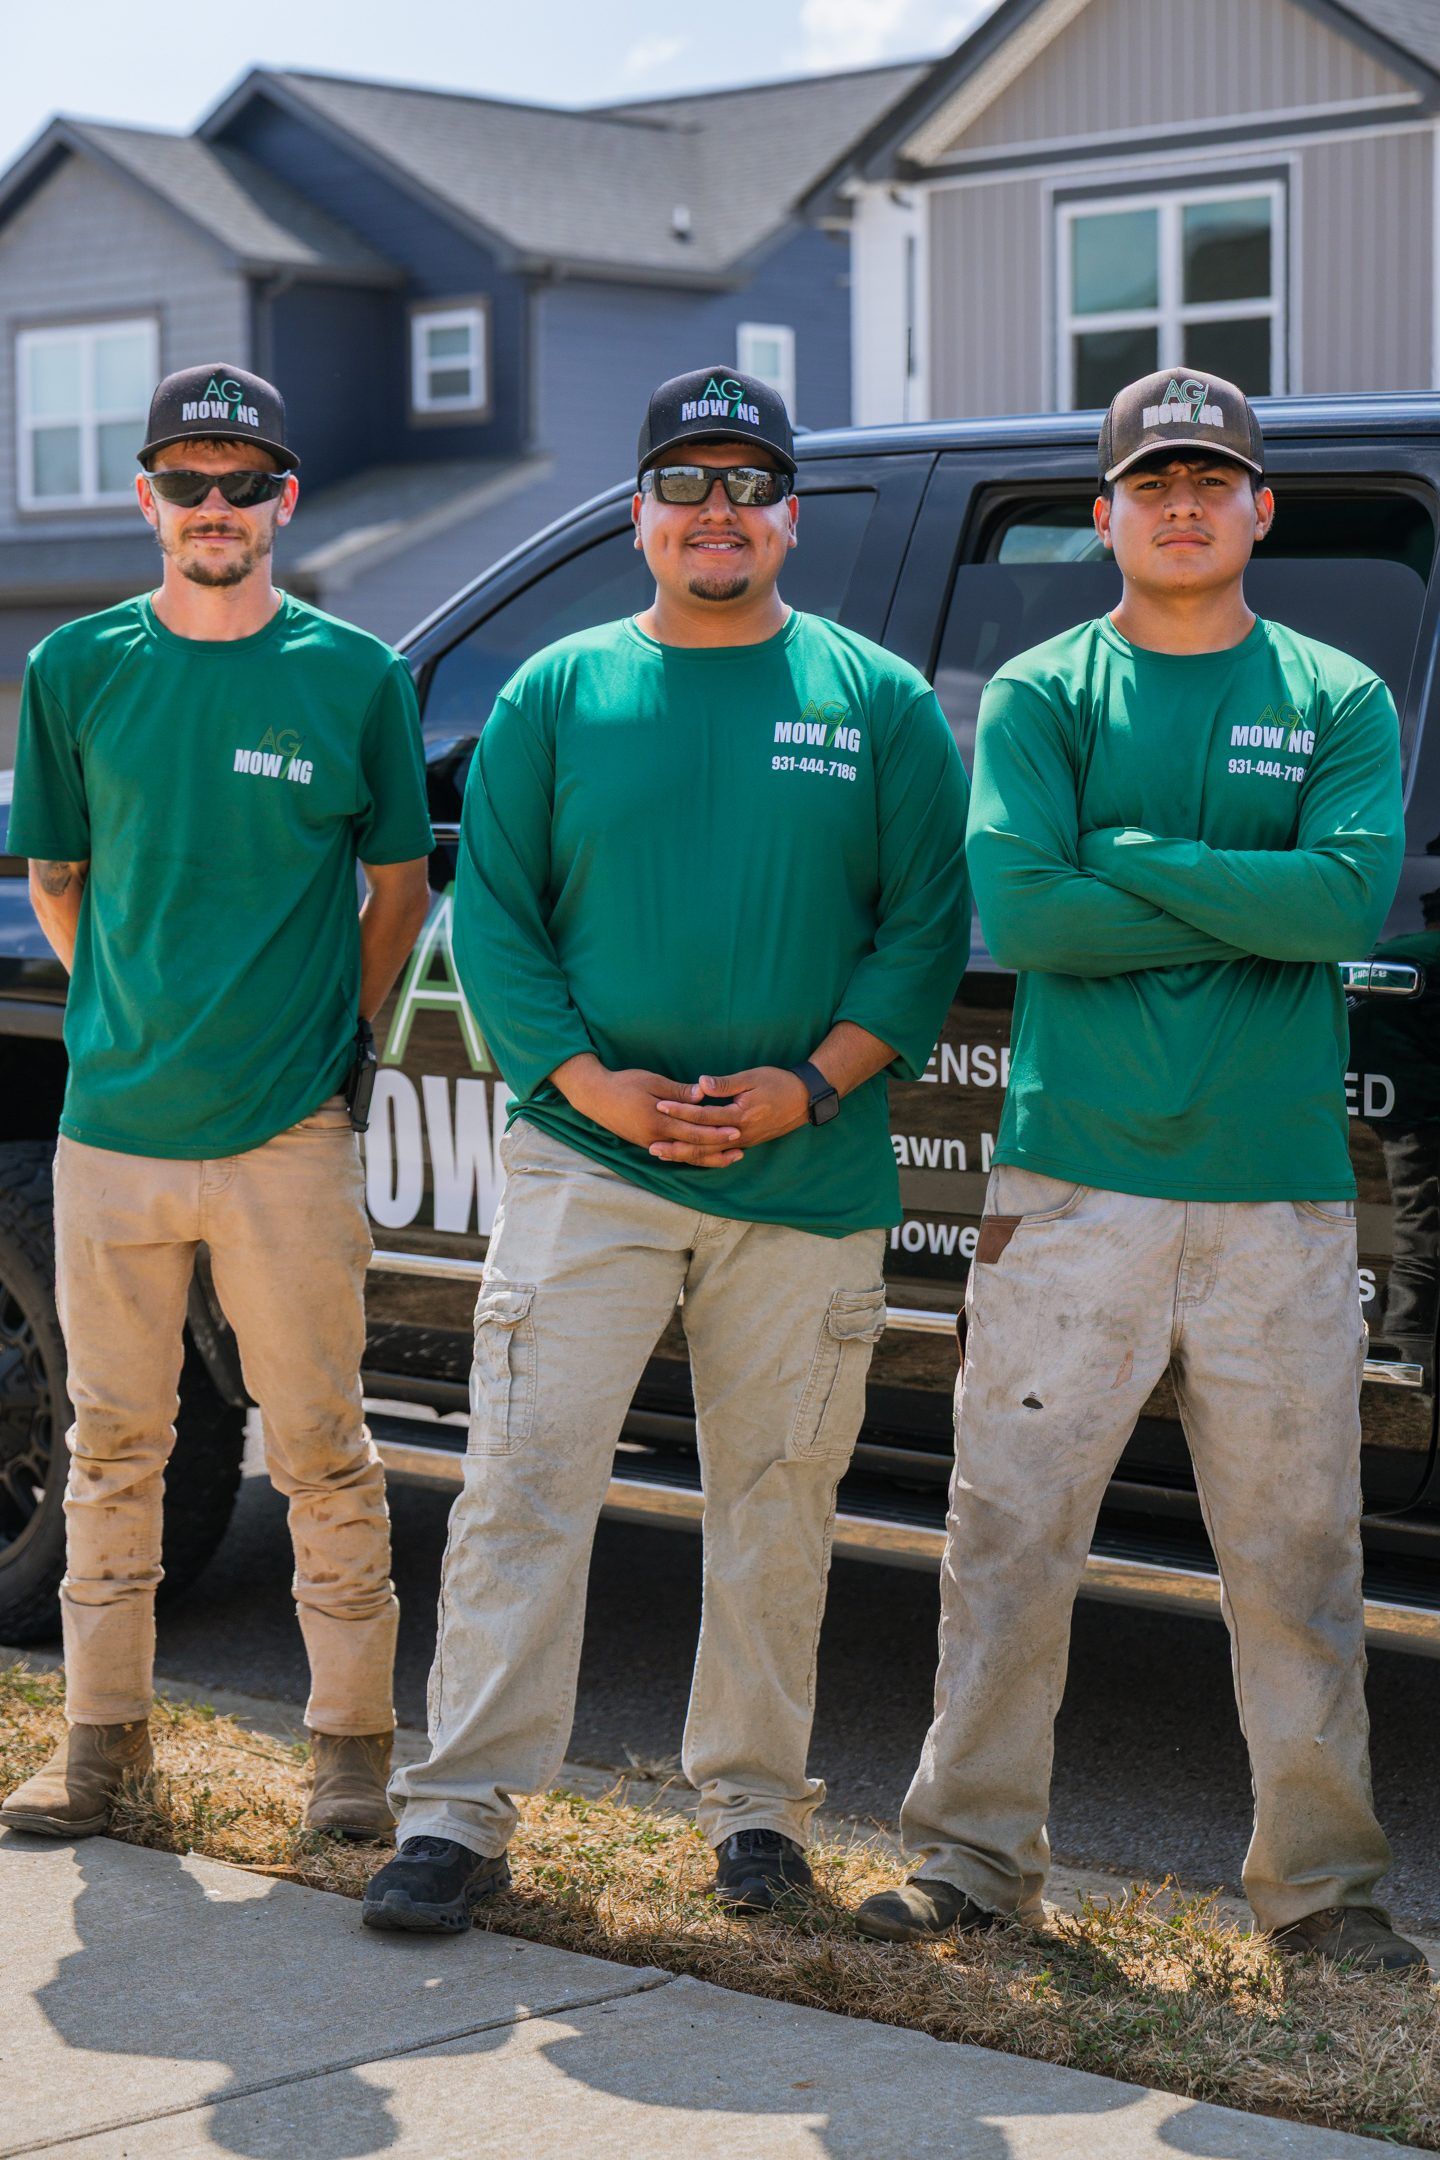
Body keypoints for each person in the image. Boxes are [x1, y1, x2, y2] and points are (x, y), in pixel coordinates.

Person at [363, 364, 971, 1933]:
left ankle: (757, 1813)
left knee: (778, 1501)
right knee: (521, 1481)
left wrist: (815, 1084)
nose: (720, 513)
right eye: (689, 485)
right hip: (590, 1160)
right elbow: (492, 920)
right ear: (642, 513)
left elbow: (923, 930)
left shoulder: (879, 704)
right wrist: (597, 1085)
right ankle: (463, 1814)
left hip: (809, 1171)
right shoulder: (559, 695)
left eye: (750, 486)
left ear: (788, 518)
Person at [855, 368, 1427, 1973]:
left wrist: (1136, 859)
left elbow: (1345, 908)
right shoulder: (1042, 689)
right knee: (1010, 1527)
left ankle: (1323, 1893)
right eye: (1151, 481)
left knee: (1298, 1556)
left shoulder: (1337, 695)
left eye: (1212, 479)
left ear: (1259, 509)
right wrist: (1243, 888)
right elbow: (1024, 918)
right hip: (1072, 1189)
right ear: (1104, 512)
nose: (1182, 504)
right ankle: (971, 1862)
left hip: (1275, 1196)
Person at [0, 364, 433, 1843]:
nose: (215, 507)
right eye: (187, 482)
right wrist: (137, 1019)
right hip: (113, 1134)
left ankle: (352, 1757)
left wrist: (324, 1048)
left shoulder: (353, 676)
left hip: (283, 1140)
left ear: (283, 501)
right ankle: (101, 1744)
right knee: (115, 1446)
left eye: (243, 483)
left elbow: (397, 893)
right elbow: (58, 881)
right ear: (148, 499)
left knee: (321, 1442)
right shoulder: (77, 671)